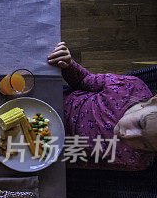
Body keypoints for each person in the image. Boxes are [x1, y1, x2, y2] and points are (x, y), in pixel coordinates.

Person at [48, 42, 156, 170]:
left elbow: (83, 160)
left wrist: (53, 160)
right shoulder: (129, 86)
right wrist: (69, 65)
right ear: (153, 101)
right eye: (140, 123)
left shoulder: (137, 161)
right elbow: (84, 80)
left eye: (145, 144)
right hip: (53, 101)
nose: (127, 135)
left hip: (50, 145)